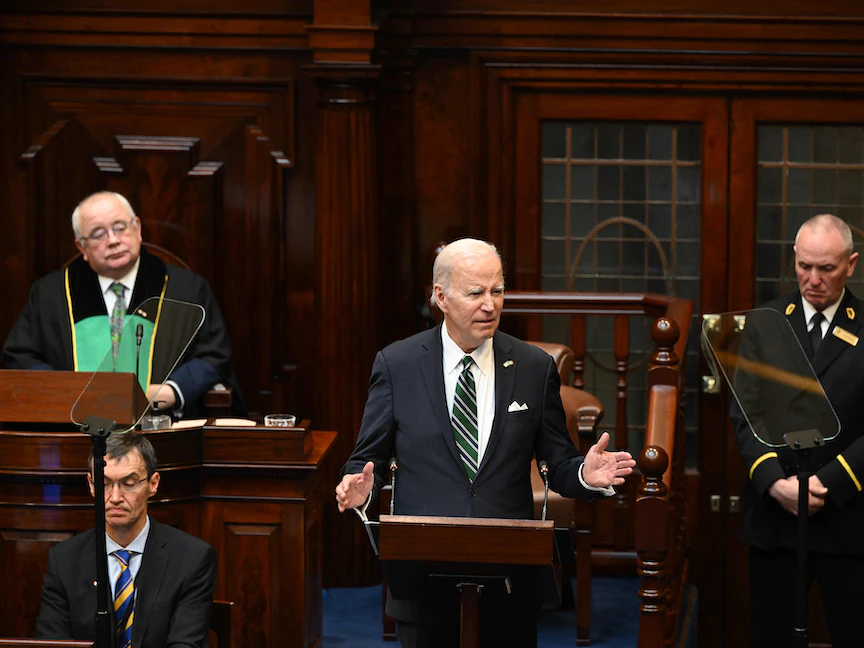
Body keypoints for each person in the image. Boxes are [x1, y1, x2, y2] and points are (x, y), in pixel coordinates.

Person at [335, 238, 635, 648]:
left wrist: (585, 473)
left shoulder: (532, 367)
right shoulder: (398, 364)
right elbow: (365, 457)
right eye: (476, 293)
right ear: (440, 296)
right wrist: (359, 485)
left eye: (497, 291)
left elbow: (558, 461)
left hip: (508, 573)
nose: (490, 305)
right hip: (424, 573)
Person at [731, 214, 864, 648]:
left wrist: (827, 482)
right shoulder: (766, 321)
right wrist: (774, 484)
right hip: (777, 515)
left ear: (851, 265)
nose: (813, 279)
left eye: (826, 268)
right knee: (772, 637)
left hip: (847, 513)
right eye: (804, 265)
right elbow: (745, 412)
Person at [2, 191, 244, 418]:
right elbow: (20, 356)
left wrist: (167, 393)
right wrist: (68, 392)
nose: (113, 240)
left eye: (120, 227)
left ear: (137, 229)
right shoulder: (51, 294)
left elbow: (213, 355)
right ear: (82, 247)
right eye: (98, 234)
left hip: (160, 426)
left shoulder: (186, 289)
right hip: (75, 428)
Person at [36, 431, 216, 647]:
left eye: (129, 483)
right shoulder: (64, 561)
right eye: (104, 483)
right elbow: (53, 642)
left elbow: (186, 643)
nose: (115, 498)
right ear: (91, 485)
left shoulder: (191, 559)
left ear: (153, 484)